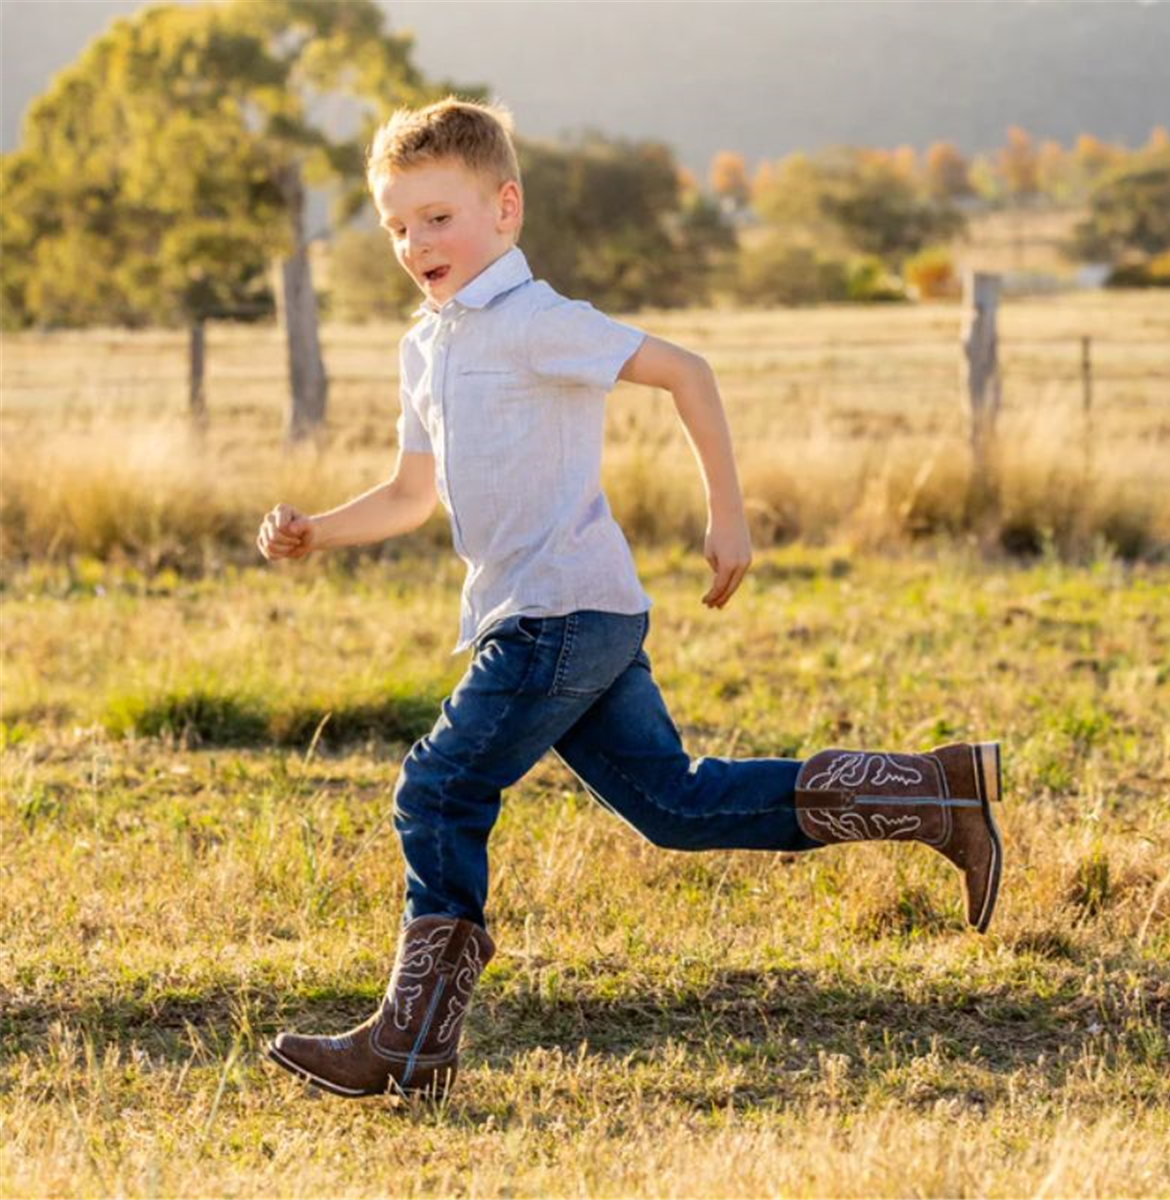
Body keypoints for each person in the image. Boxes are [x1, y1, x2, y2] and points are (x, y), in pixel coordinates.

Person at [256, 98, 1003, 1101]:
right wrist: (316, 529)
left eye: (437, 216)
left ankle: (411, 1038)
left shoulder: (537, 323)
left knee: (437, 790)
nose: (413, 242)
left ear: (504, 209)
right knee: (674, 806)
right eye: (396, 224)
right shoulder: (426, 347)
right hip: (572, 616)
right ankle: (936, 793)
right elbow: (408, 495)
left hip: (560, 617)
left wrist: (726, 516)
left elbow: (686, 372)